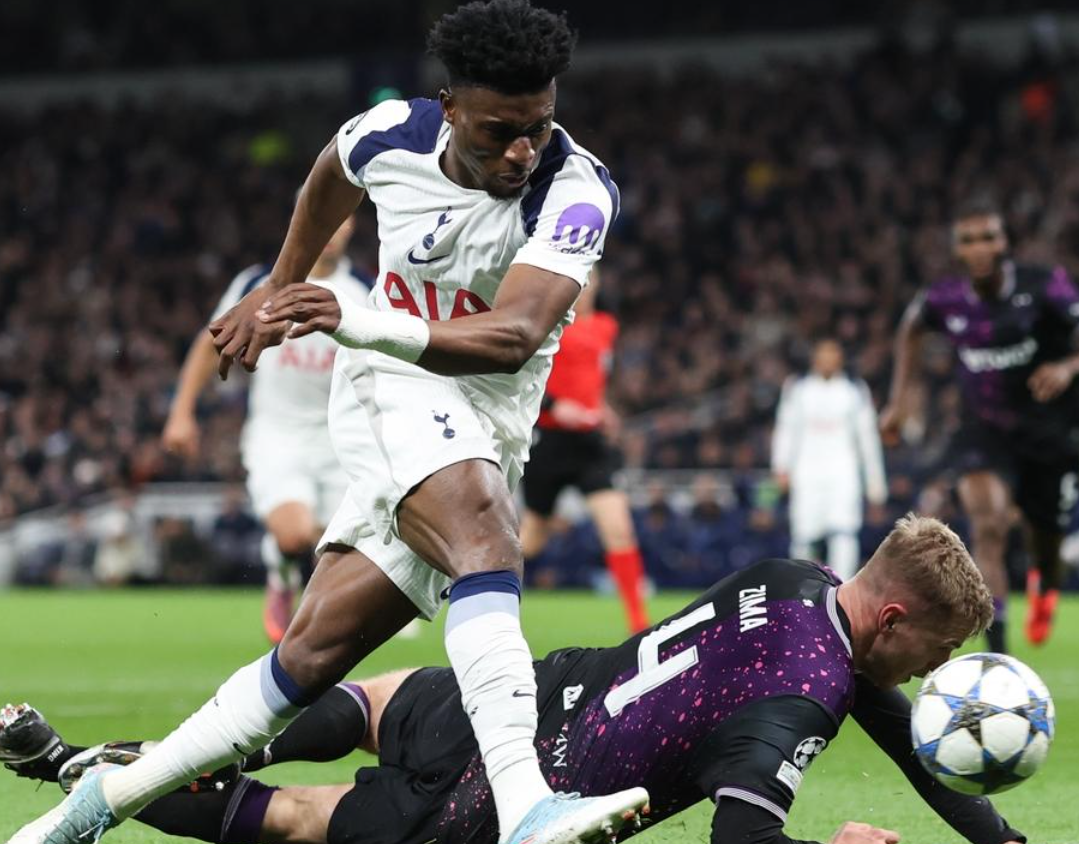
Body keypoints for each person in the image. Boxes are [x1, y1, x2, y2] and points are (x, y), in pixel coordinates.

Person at [7, 4, 644, 844]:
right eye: (500, 132)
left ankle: (90, 807)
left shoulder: (576, 192)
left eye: (539, 126)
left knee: (306, 660)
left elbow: (514, 336)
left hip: (486, 413)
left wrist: (352, 316)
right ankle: (528, 806)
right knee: (486, 537)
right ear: (450, 108)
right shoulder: (387, 136)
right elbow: (325, 182)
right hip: (394, 384)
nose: (522, 152)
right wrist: (279, 288)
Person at [4, 515, 1025, 844]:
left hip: (520, 697)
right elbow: (742, 839)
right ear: (893, 620)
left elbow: (901, 731)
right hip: (507, 806)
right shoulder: (800, 698)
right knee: (297, 819)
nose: (931, 673)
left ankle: (82, 762)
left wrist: (1002, 839)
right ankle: (70, 771)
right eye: (936, 652)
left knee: (361, 703)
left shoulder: (797, 583)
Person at [879, 197, 1079, 652]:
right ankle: (999, 655)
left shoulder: (1044, 285)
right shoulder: (945, 298)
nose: (979, 248)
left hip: (1050, 429)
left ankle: (1045, 586)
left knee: (1045, 539)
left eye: (988, 237)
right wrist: (898, 404)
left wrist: (1069, 366)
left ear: (1004, 242)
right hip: (984, 429)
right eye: (968, 240)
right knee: (988, 526)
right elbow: (910, 326)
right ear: (957, 248)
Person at [162, 218, 371, 642]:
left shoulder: (367, 289)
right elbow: (211, 342)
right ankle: (281, 574)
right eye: (325, 217)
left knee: (336, 551)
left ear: (351, 227)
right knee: (294, 535)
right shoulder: (260, 283)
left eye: (341, 220)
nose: (331, 229)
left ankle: (312, 631)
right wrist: (181, 412)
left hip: (343, 438)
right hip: (278, 434)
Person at [520, 270, 649, 632]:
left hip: (590, 444)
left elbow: (593, 380)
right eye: (581, 278)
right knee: (531, 538)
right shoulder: (546, 324)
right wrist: (554, 406)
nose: (585, 286)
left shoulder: (606, 327)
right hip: (549, 441)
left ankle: (639, 624)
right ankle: (483, 599)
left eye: (591, 279)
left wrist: (602, 409)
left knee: (619, 529)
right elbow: (523, 374)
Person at [772, 339, 887, 580]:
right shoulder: (798, 388)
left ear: (840, 359)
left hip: (843, 471)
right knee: (803, 533)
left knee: (844, 531)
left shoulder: (854, 390)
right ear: (814, 358)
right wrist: (781, 467)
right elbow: (786, 429)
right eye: (823, 354)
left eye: (832, 354)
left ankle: (840, 587)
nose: (827, 360)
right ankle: (800, 587)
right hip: (806, 470)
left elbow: (867, 437)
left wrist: (875, 482)